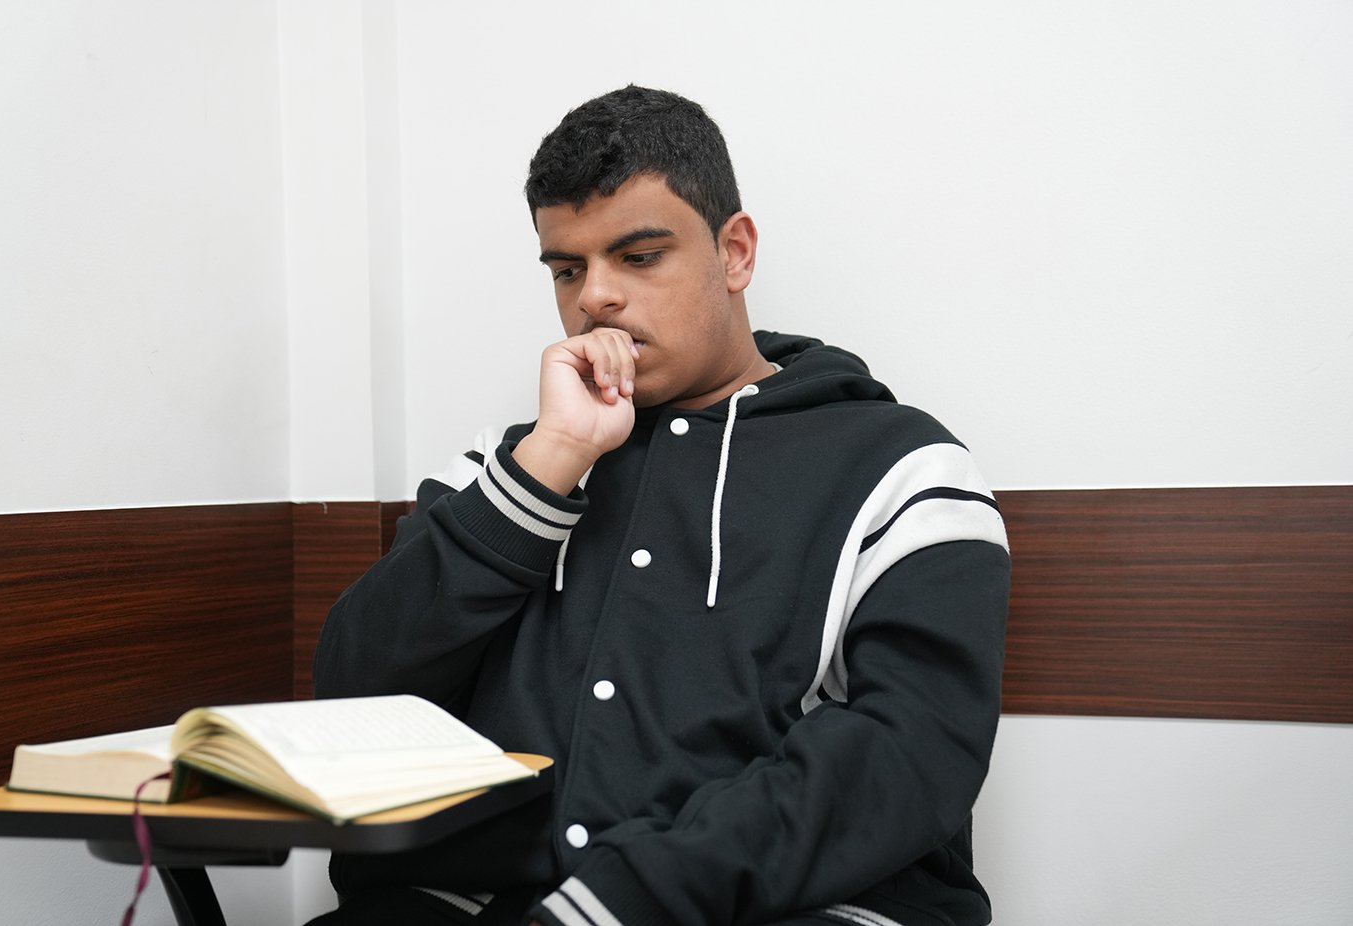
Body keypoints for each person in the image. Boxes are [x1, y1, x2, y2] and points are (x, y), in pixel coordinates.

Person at [310, 85, 1010, 926]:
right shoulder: (511, 466)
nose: (593, 298)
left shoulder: (899, 467)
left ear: (734, 253)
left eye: (638, 256)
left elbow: (910, 754)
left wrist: (627, 899)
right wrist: (551, 462)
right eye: (566, 269)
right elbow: (354, 692)